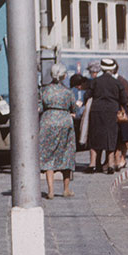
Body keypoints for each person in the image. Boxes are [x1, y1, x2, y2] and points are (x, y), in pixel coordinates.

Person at [38, 63, 80, 199]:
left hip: (47, 121)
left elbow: (39, 106)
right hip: (64, 122)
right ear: (63, 76)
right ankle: (66, 189)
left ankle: (50, 191)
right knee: (66, 153)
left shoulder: (45, 90)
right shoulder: (67, 92)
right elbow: (74, 108)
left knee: (48, 155)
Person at [86, 59, 125, 173]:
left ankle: (92, 164)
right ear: (112, 69)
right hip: (112, 111)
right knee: (110, 137)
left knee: (95, 137)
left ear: (102, 69)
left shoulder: (95, 81)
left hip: (96, 111)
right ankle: (111, 165)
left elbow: (87, 95)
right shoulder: (117, 82)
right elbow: (123, 99)